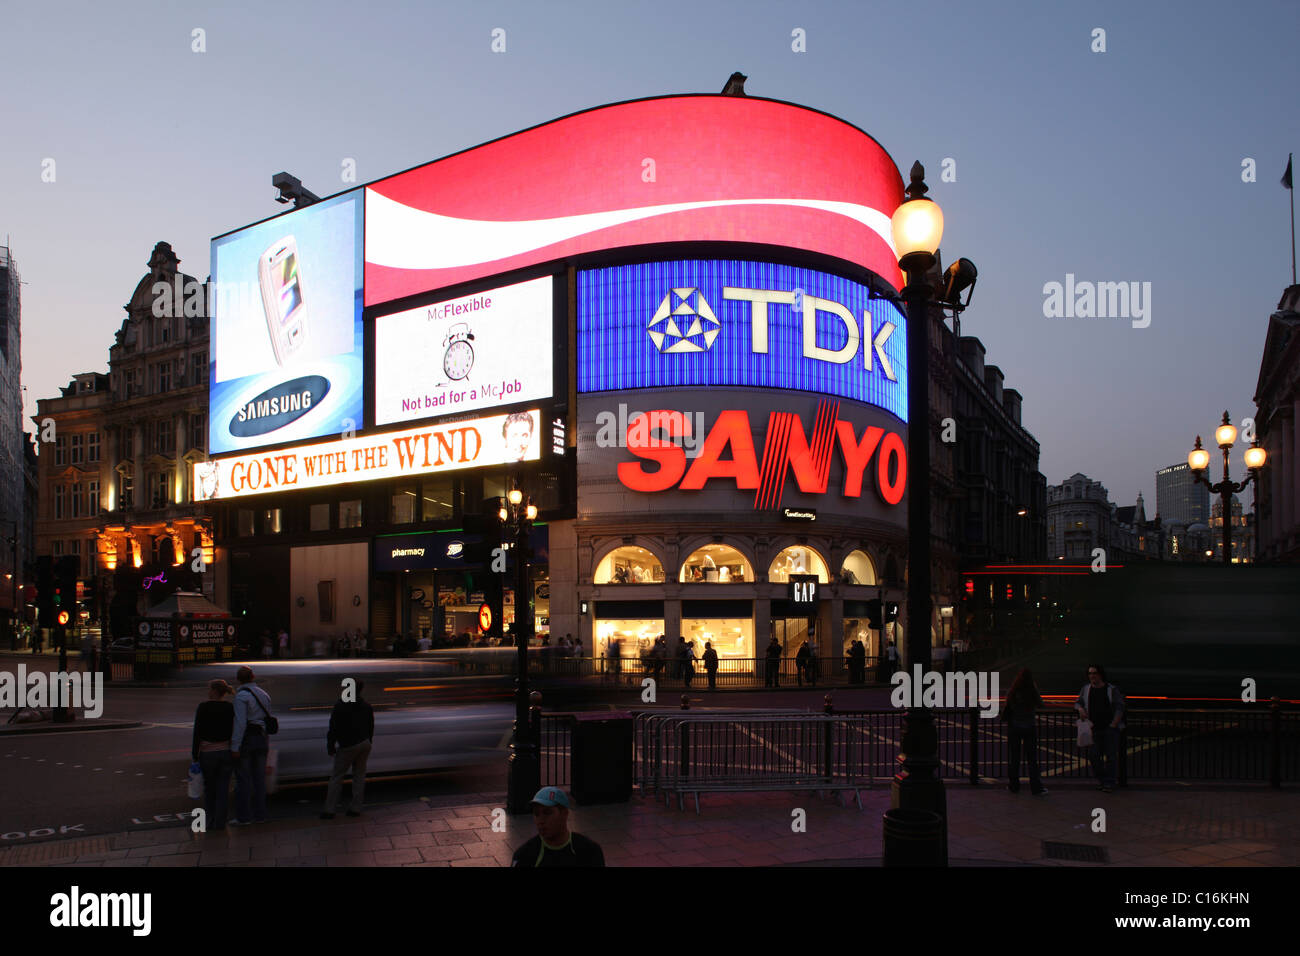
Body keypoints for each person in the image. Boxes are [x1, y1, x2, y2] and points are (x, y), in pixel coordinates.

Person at [510, 787, 605, 867]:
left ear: (564, 814)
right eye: (536, 814)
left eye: (547, 813)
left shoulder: (589, 851)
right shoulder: (524, 855)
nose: (541, 820)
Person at [321, 679, 374, 819]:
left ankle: (329, 810)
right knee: (359, 776)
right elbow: (370, 727)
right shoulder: (366, 706)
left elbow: (333, 728)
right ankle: (356, 808)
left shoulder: (340, 705)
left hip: (348, 745)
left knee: (337, 777)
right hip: (364, 744)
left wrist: (330, 746)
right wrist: (369, 741)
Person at [230, 666, 273, 825]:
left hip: (248, 739)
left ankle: (244, 817)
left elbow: (240, 723)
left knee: (243, 779)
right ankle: (260, 815)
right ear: (253, 676)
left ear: (238, 679)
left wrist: (235, 747)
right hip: (262, 737)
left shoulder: (241, 697)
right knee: (259, 779)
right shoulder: (264, 694)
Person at [191, 679, 235, 831]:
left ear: (215, 691)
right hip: (225, 752)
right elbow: (233, 730)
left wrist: (195, 754)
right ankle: (220, 822)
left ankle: (209, 820)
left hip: (208, 753)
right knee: (223, 789)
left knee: (210, 789)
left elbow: (197, 732)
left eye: (209, 689)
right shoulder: (230, 707)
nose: (208, 692)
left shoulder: (203, 707)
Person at [1076, 664, 1126, 793]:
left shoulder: (1111, 689)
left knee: (1111, 757)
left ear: (1100, 674)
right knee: (1094, 756)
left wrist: (1113, 724)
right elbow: (1078, 702)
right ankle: (1104, 781)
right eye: (1090, 673)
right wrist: (1080, 709)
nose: (1092, 676)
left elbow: (1120, 707)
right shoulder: (1086, 689)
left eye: (1094, 673)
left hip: (1109, 728)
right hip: (1093, 729)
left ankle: (1109, 783)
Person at [1003, 668, 1047, 795]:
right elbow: (1041, 704)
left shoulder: (1013, 691)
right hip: (1029, 727)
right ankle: (1036, 787)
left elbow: (1008, 706)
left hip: (1014, 727)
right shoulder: (1032, 691)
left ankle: (1014, 786)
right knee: (1032, 759)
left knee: (1014, 758)